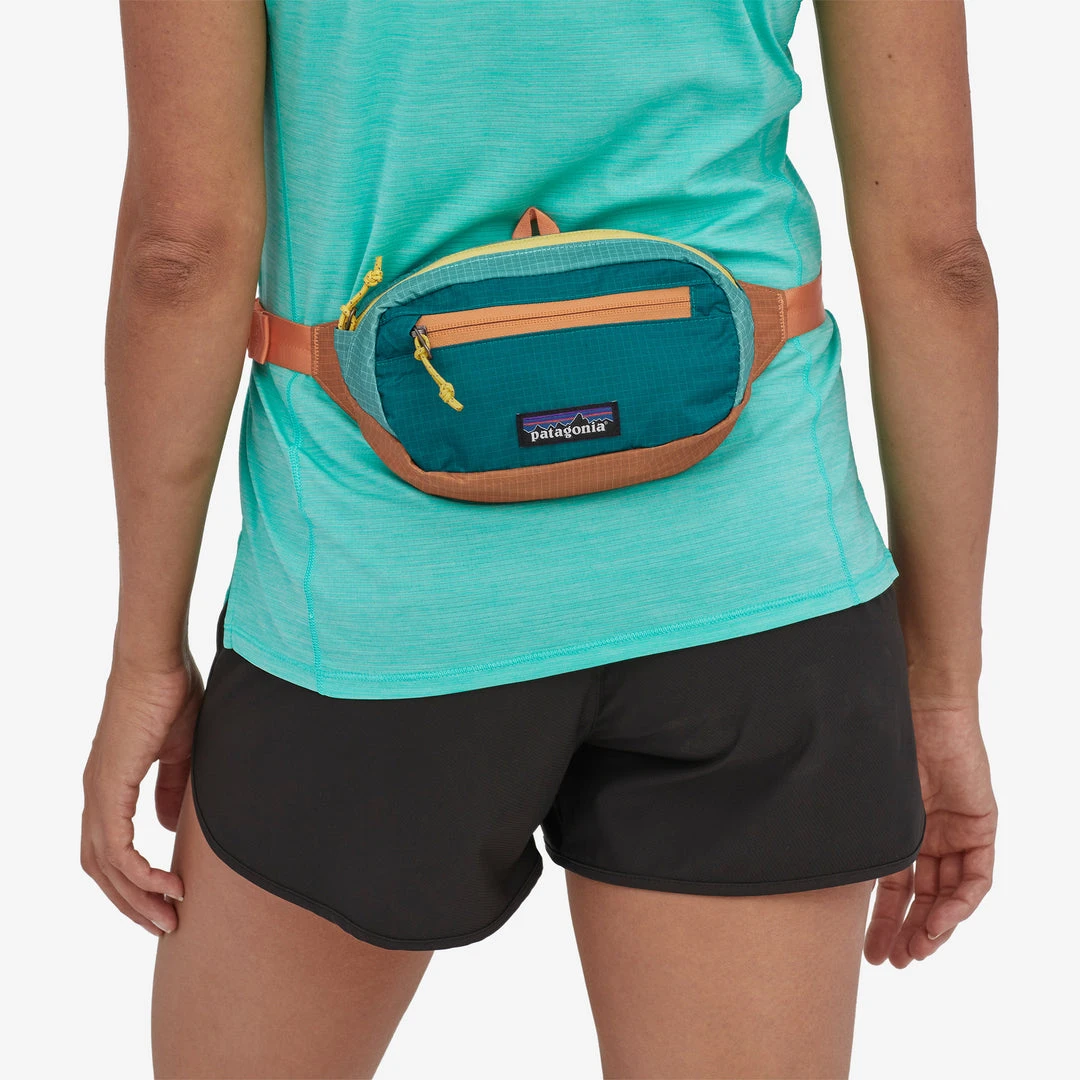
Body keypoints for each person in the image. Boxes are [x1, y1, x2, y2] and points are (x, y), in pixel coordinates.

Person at [80, 2, 998, 1076]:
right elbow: (940, 261)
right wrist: (941, 685)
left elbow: (180, 256)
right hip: (756, 588)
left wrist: (145, 658)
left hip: (380, 608)